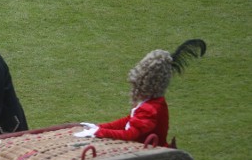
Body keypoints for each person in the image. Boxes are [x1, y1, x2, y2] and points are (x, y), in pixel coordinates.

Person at [74, 39, 206, 146]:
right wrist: (98, 127)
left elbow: (130, 134)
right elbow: (129, 121)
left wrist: (99, 132)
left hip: (150, 159)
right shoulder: (152, 103)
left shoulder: (150, 109)